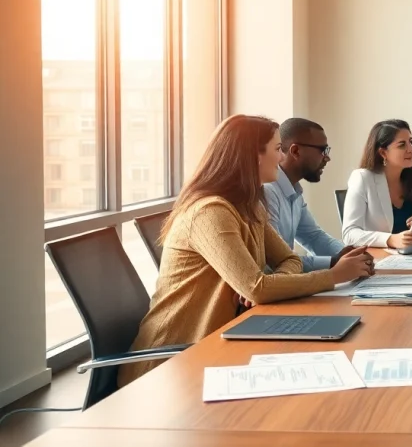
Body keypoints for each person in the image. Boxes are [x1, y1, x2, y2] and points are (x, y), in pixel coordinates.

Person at [119, 115, 374, 387]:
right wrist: (334, 275)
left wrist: (273, 281)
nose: (281, 157)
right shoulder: (210, 212)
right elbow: (256, 288)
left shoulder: (250, 206)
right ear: (254, 155)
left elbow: (285, 260)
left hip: (221, 341)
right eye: (277, 149)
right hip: (170, 364)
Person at [264, 118, 360, 272]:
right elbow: (275, 260)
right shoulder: (268, 191)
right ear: (295, 151)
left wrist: (352, 253)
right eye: (322, 150)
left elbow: (313, 237)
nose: (327, 158)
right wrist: (333, 262)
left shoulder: (294, 190)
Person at [342, 119, 412, 249]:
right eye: (402, 145)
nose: (410, 149)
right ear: (383, 152)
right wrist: (390, 239)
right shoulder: (363, 178)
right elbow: (349, 234)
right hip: (380, 261)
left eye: (411, 142)